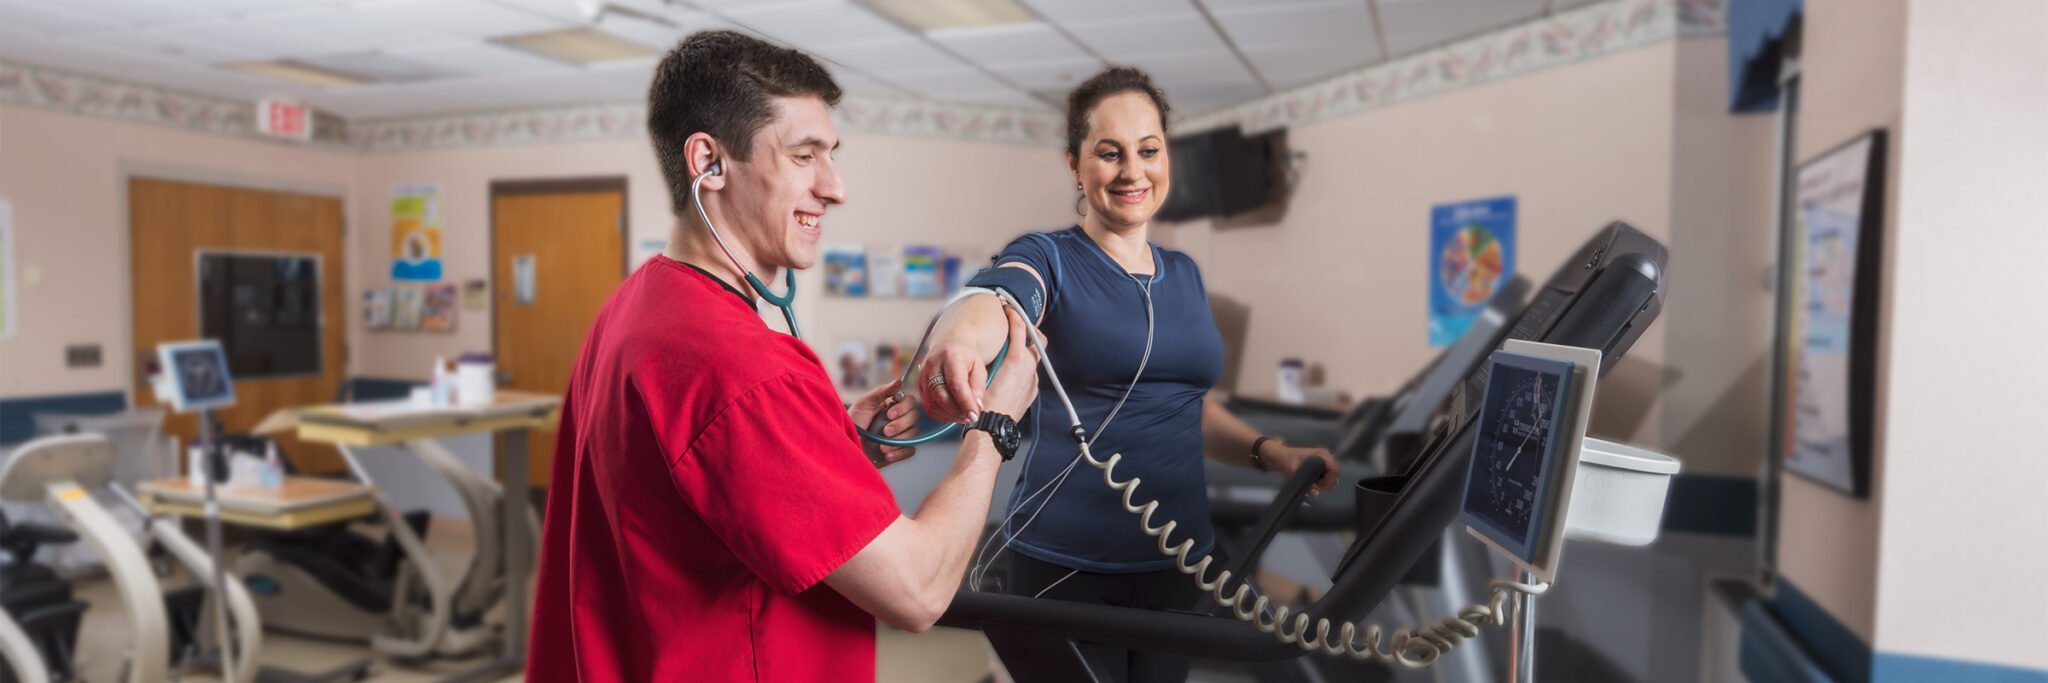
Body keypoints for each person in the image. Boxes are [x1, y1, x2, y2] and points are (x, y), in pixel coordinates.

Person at [526, 30, 1040, 682]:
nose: (835, 188)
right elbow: (917, 589)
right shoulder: (744, 369)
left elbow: (691, 504)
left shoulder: (632, 311)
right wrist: (995, 426)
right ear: (708, 162)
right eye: (805, 156)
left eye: (832, 155)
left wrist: (830, 445)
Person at [918, 67, 1342, 683]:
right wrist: (958, 341)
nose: (1132, 172)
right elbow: (999, 300)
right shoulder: (1050, 257)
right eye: (1108, 153)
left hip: (1177, 562)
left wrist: (1269, 451)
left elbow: (1186, 403)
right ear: (1075, 164)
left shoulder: (1186, 274)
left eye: (1148, 150)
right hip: (1067, 561)